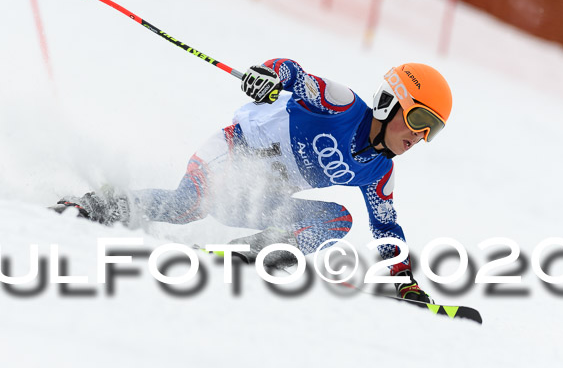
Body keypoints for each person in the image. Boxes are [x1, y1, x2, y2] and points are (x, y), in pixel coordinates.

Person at [54, 59, 452, 303]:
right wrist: (268, 75)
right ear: (390, 102)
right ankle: (95, 205)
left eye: (431, 130)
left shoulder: (379, 171)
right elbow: (293, 73)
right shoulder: (342, 103)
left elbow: (385, 227)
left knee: (337, 221)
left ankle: (251, 253)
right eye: (418, 119)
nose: (419, 136)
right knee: (185, 207)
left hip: (260, 197)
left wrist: (406, 285)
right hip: (232, 154)